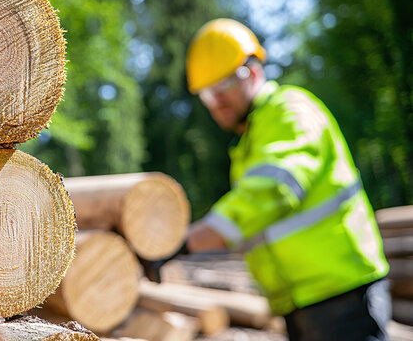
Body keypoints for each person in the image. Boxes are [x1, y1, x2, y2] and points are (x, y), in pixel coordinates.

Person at [144, 18, 392, 341]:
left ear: (254, 73)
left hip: (342, 296)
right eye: (207, 93)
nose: (217, 101)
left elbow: (269, 194)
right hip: (300, 302)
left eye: (225, 86)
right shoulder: (250, 142)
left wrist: (184, 242)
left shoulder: (289, 111)